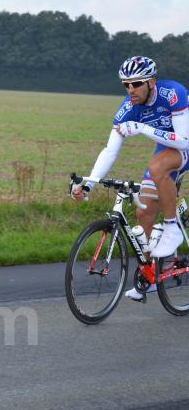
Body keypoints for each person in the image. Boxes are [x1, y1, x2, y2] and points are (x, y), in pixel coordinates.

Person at [72, 56, 189, 300]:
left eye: (136, 84)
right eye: (126, 85)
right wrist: (89, 184)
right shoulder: (128, 108)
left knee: (156, 167)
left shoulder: (172, 94)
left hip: (184, 141)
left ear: (151, 82)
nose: (130, 90)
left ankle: (171, 228)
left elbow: (183, 140)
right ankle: (149, 277)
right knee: (143, 211)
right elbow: (110, 150)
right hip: (168, 150)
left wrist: (142, 128)